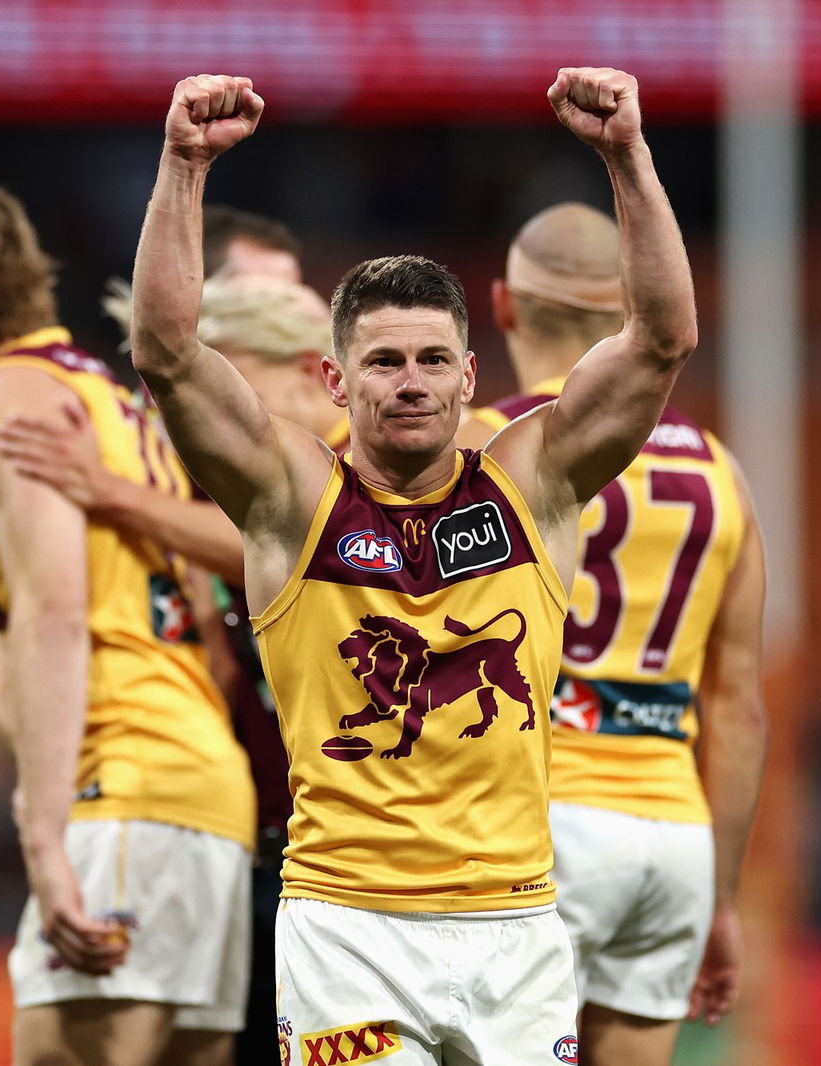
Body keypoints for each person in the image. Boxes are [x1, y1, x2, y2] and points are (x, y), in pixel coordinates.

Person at [128, 67, 698, 1064]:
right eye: (384, 362)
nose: (410, 384)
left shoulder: (535, 480)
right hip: (347, 926)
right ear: (335, 379)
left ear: (470, 375)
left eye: (433, 360)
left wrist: (626, 159)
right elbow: (169, 355)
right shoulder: (290, 499)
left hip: (517, 926)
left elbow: (659, 340)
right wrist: (181, 167)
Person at [0, 166, 254, 1066]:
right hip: (199, 792)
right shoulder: (110, 399)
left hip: (122, 791)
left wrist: (41, 838)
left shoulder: (10, 395)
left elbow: (53, 615)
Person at [0, 272, 348, 1066]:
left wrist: (115, 494)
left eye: (221, 385)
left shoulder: (368, 472)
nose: (194, 423)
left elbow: (298, 541)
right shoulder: (211, 507)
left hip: (366, 863)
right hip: (269, 845)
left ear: (306, 369)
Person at [459, 203, 768, 1066]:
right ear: (630, 309)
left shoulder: (490, 445)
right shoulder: (721, 469)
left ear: (505, 306)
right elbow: (738, 708)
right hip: (671, 837)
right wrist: (722, 900)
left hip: (541, 821)